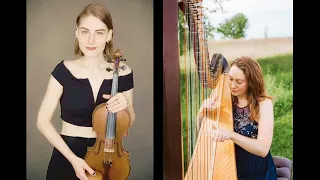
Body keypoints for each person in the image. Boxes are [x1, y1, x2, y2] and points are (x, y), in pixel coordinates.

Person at [36, 4, 135, 180]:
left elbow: (131, 118)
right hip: (67, 155)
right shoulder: (63, 70)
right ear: (76, 33)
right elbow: (42, 122)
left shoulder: (123, 72)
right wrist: (74, 159)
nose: (90, 40)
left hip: (109, 157)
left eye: (99, 33)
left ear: (109, 36)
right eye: (84, 32)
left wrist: (124, 106)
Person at [197, 56, 277, 180]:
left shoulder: (263, 104)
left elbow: (263, 149)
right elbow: (203, 135)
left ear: (251, 82)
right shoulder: (223, 98)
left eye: (239, 82)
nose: (233, 85)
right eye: (230, 79)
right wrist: (201, 113)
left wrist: (231, 135)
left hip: (256, 171)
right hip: (227, 161)